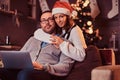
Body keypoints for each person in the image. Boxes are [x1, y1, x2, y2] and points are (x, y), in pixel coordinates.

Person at [17, 11, 74, 80]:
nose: (47, 23)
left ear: (55, 21)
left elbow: (65, 67)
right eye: (43, 21)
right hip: (25, 69)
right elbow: (19, 56)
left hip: (45, 73)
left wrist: (43, 67)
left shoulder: (64, 43)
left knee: (24, 74)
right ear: (41, 24)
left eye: (50, 19)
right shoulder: (32, 39)